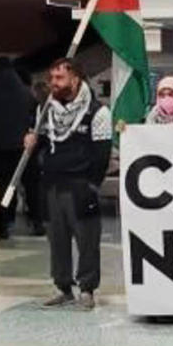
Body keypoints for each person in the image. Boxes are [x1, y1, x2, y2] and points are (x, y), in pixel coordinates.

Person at [28, 59, 113, 311]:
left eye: (59, 78)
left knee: (87, 240)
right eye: (51, 78)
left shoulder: (98, 112)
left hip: (81, 186)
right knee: (57, 239)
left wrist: (91, 186)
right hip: (52, 185)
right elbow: (41, 145)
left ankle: (87, 288)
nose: (53, 84)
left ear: (75, 79)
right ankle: (62, 287)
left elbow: (102, 156)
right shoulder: (46, 110)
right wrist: (32, 141)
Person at [0, 57, 35, 239]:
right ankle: (37, 221)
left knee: (3, 186)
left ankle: (3, 224)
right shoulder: (24, 92)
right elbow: (33, 115)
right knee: (29, 185)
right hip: (23, 146)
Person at [20, 79, 50, 236]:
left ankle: (39, 217)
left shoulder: (40, 107)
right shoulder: (51, 105)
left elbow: (39, 131)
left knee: (36, 186)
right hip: (49, 147)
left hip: (41, 146)